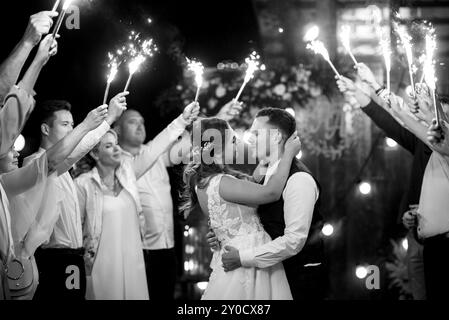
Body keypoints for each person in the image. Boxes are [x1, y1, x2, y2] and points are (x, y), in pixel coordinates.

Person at [113, 100, 242, 300]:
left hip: (167, 248)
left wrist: (219, 118)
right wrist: (182, 121)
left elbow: (189, 145)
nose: (140, 126)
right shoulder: (114, 161)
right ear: (117, 130)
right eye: (132, 122)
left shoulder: (157, 154)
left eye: (142, 121)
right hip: (137, 251)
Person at [75, 102, 199, 300]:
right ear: (94, 153)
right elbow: (76, 232)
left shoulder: (129, 175)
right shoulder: (83, 184)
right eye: (108, 146)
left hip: (134, 261)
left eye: (115, 145)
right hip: (101, 265)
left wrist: (182, 120)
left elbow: (156, 147)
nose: (115, 150)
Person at [207, 108, 325, 300]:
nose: (249, 138)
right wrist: (224, 233)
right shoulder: (266, 173)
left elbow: (294, 240)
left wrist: (242, 257)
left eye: (255, 133)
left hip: (299, 277)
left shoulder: (299, 179)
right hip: (267, 276)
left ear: (276, 136)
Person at [336, 65, 430, 300]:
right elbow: (391, 124)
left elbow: (401, 116)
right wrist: (360, 95)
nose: (419, 113)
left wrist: (376, 86)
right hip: (417, 235)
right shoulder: (423, 143)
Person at [24, 92, 127, 300]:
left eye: (73, 124)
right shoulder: (34, 163)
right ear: (45, 129)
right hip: (51, 259)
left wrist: (108, 119)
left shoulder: (64, 167)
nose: (71, 129)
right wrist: (99, 122)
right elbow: (70, 153)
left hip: (73, 258)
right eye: (65, 124)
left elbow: (74, 152)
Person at [0, 17, 58, 299]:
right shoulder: (8, 181)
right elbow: (9, 107)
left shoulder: (5, 183)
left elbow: (11, 103)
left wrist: (37, 56)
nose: (13, 150)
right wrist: (29, 46)